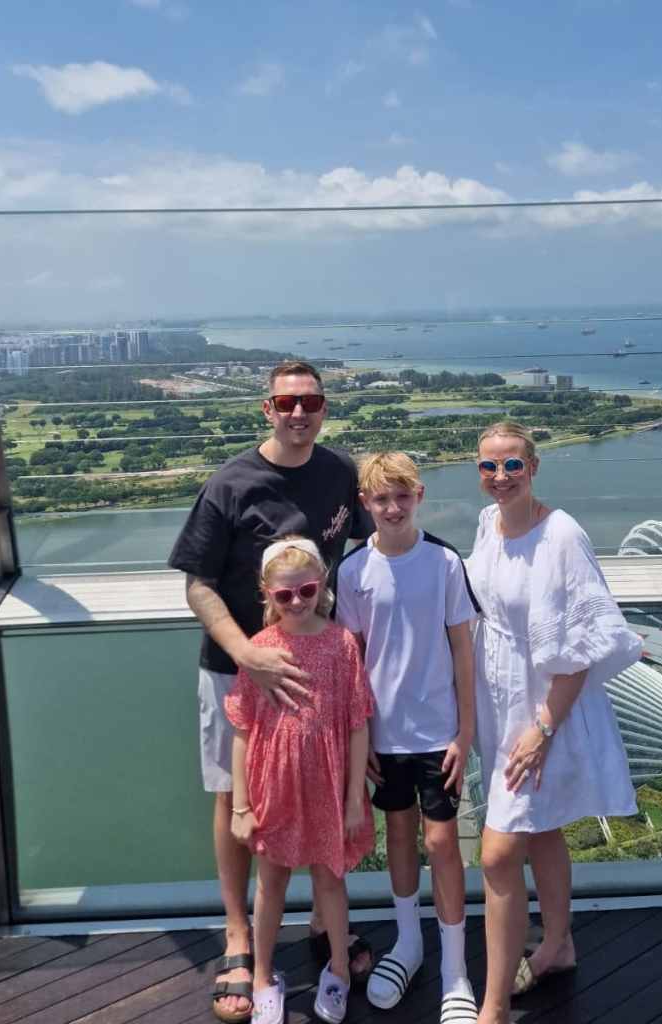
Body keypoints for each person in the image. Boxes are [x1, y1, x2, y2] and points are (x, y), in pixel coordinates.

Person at [167, 361, 373, 1022]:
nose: (298, 413)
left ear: (324, 407)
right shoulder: (230, 484)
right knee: (237, 797)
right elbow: (198, 584)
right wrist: (247, 654)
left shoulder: (339, 472)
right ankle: (237, 936)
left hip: (316, 661)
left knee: (318, 781)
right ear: (267, 409)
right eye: (286, 402)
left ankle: (323, 923)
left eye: (309, 402)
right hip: (239, 665)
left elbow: (374, 545)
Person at [465, 421, 641, 1024]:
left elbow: (585, 643)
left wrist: (542, 729)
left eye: (513, 464)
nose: (501, 476)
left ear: (534, 467)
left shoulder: (562, 534)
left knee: (497, 855)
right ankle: (559, 944)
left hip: (544, 711)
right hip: (501, 703)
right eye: (489, 466)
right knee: (541, 830)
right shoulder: (487, 525)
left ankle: (492, 1006)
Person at [336, 452, 480, 1024]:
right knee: (397, 834)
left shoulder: (443, 562)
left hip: (438, 731)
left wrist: (465, 732)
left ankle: (455, 969)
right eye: (381, 499)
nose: (392, 508)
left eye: (402, 496)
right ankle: (408, 942)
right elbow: (352, 661)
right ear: (365, 504)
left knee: (442, 844)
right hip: (383, 734)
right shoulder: (353, 572)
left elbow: (463, 650)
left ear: (419, 496)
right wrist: (360, 737)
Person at [228, 538, 375, 1024]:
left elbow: (357, 725)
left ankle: (339, 969)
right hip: (275, 787)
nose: (297, 601)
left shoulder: (341, 645)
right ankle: (262, 976)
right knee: (270, 883)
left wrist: (353, 800)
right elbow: (243, 730)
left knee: (330, 880)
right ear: (267, 594)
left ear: (322, 586)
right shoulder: (258, 651)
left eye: (306, 590)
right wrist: (241, 806)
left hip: (328, 786)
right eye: (284, 594)